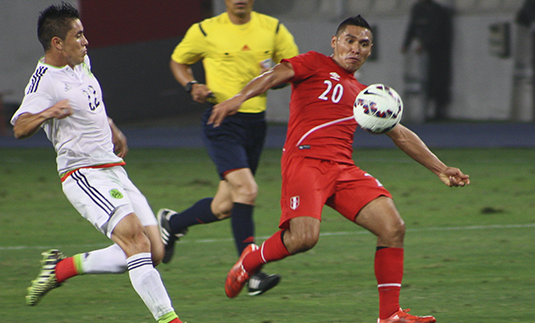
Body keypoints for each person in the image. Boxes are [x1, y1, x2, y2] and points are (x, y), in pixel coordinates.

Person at [211, 15, 470, 322]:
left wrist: (440, 168)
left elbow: (399, 133)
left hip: (343, 169)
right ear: (335, 42)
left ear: (370, 50)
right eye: (350, 41)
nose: (356, 49)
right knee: (304, 238)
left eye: (364, 44)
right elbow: (272, 76)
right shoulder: (313, 63)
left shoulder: (365, 96)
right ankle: (249, 260)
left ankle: (390, 315)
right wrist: (239, 98)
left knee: (392, 227)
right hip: (305, 162)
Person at [11, 4, 183, 323]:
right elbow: (20, 127)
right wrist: (48, 113)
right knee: (135, 240)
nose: (86, 40)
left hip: (113, 168)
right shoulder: (44, 82)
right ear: (57, 43)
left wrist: (111, 126)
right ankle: (170, 320)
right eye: (78, 35)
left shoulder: (82, 63)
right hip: (83, 174)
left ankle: (62, 268)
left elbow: (91, 102)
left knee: (153, 251)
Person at [158, 0, 299, 296]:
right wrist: (191, 85)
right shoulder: (206, 30)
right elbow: (177, 61)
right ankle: (252, 272)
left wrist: (275, 79)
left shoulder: (272, 29)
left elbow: (291, 68)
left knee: (224, 206)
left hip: (255, 125)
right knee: (247, 190)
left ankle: (172, 223)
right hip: (220, 120)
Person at [401, 0, 453, 122]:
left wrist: (424, 44)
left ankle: (438, 111)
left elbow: (436, 31)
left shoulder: (437, 10)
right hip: (424, 53)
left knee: (437, 81)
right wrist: (406, 44)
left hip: (438, 52)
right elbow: (412, 27)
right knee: (425, 81)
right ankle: (424, 111)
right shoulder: (417, 9)